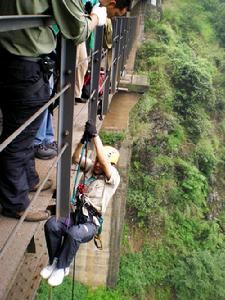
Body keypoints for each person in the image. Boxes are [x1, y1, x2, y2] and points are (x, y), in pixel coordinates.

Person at [0, 1, 107, 221]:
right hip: (27, 63)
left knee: (25, 130)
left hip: (8, 57)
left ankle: (29, 179)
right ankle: (15, 203)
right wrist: (96, 18)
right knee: (19, 136)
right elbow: (76, 29)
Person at [40, 120, 120, 286]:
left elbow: (105, 164)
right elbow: (76, 158)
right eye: (96, 160)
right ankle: (54, 262)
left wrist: (95, 136)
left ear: (111, 165)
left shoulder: (113, 179)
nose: (97, 164)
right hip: (75, 217)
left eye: (100, 162)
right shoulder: (91, 167)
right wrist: (82, 141)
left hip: (90, 224)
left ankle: (63, 267)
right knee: (51, 225)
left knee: (74, 234)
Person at [75, 0, 132, 104]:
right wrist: (95, 18)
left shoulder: (97, 4)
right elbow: (78, 29)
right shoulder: (90, 2)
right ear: (112, 4)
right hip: (67, 34)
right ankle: (67, 97)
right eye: (115, 14)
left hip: (79, 35)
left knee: (82, 63)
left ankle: (74, 96)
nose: (114, 18)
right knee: (74, 64)